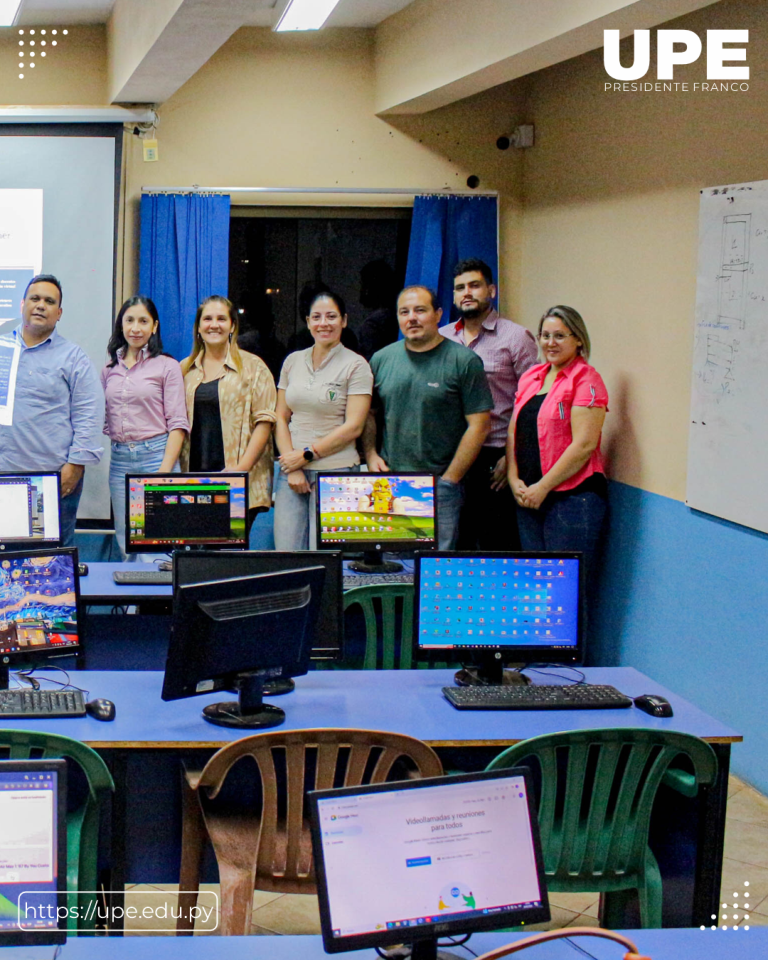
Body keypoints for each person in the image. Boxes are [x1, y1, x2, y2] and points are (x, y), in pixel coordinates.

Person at [363, 285, 492, 550]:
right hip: (390, 483)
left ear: (438, 314)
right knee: (394, 568)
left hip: (440, 485)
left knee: (434, 570)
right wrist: (370, 455)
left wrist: (450, 479)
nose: (412, 318)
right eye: (404, 312)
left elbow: (479, 426)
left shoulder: (464, 361)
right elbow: (369, 414)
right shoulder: (381, 359)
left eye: (420, 310)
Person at [506, 305, 608, 581]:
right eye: (545, 335)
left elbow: (584, 445)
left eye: (560, 336)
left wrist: (544, 487)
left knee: (566, 592)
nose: (551, 343)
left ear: (578, 339)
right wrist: (513, 478)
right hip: (528, 496)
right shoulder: (532, 376)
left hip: (571, 500)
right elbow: (515, 429)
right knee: (536, 588)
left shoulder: (587, 380)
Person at [0, 274, 103, 546]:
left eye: (49, 301)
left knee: (49, 563)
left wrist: (75, 465)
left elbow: (89, 414)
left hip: (49, 480)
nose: (40, 305)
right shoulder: (1, 348)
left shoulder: (73, 357)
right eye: (34, 298)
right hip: (3, 475)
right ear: (22, 304)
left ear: (59, 313)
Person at [443, 258, 538, 550]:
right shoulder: (443, 338)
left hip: (495, 458)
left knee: (494, 543)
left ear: (491, 290)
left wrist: (512, 456)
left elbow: (531, 403)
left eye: (474, 285)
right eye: (460, 288)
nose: (467, 293)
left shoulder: (516, 337)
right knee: (452, 542)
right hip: (450, 455)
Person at [274, 289, 372, 550]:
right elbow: (281, 417)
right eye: (316, 317)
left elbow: (354, 427)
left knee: (328, 558)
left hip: (335, 472)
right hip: (291, 472)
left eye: (331, 316)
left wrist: (306, 454)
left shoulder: (356, 365)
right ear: (307, 322)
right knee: (287, 555)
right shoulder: (292, 361)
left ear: (344, 320)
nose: (323, 323)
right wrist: (293, 466)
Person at [101, 297, 189, 558]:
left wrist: (164, 472)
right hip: (120, 462)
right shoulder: (109, 370)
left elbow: (178, 424)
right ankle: (131, 600)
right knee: (126, 542)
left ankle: (156, 601)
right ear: (121, 325)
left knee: (158, 545)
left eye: (143, 321)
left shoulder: (167, 366)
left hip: (156, 457)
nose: (135, 328)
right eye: (129, 321)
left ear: (155, 326)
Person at [180, 296, 276, 528]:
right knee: (197, 557)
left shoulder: (254, 367)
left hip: (238, 477)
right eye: (208, 319)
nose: (214, 324)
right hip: (194, 479)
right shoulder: (184, 369)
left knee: (227, 555)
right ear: (199, 327)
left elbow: (265, 423)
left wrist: (239, 472)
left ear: (232, 325)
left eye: (221, 319)